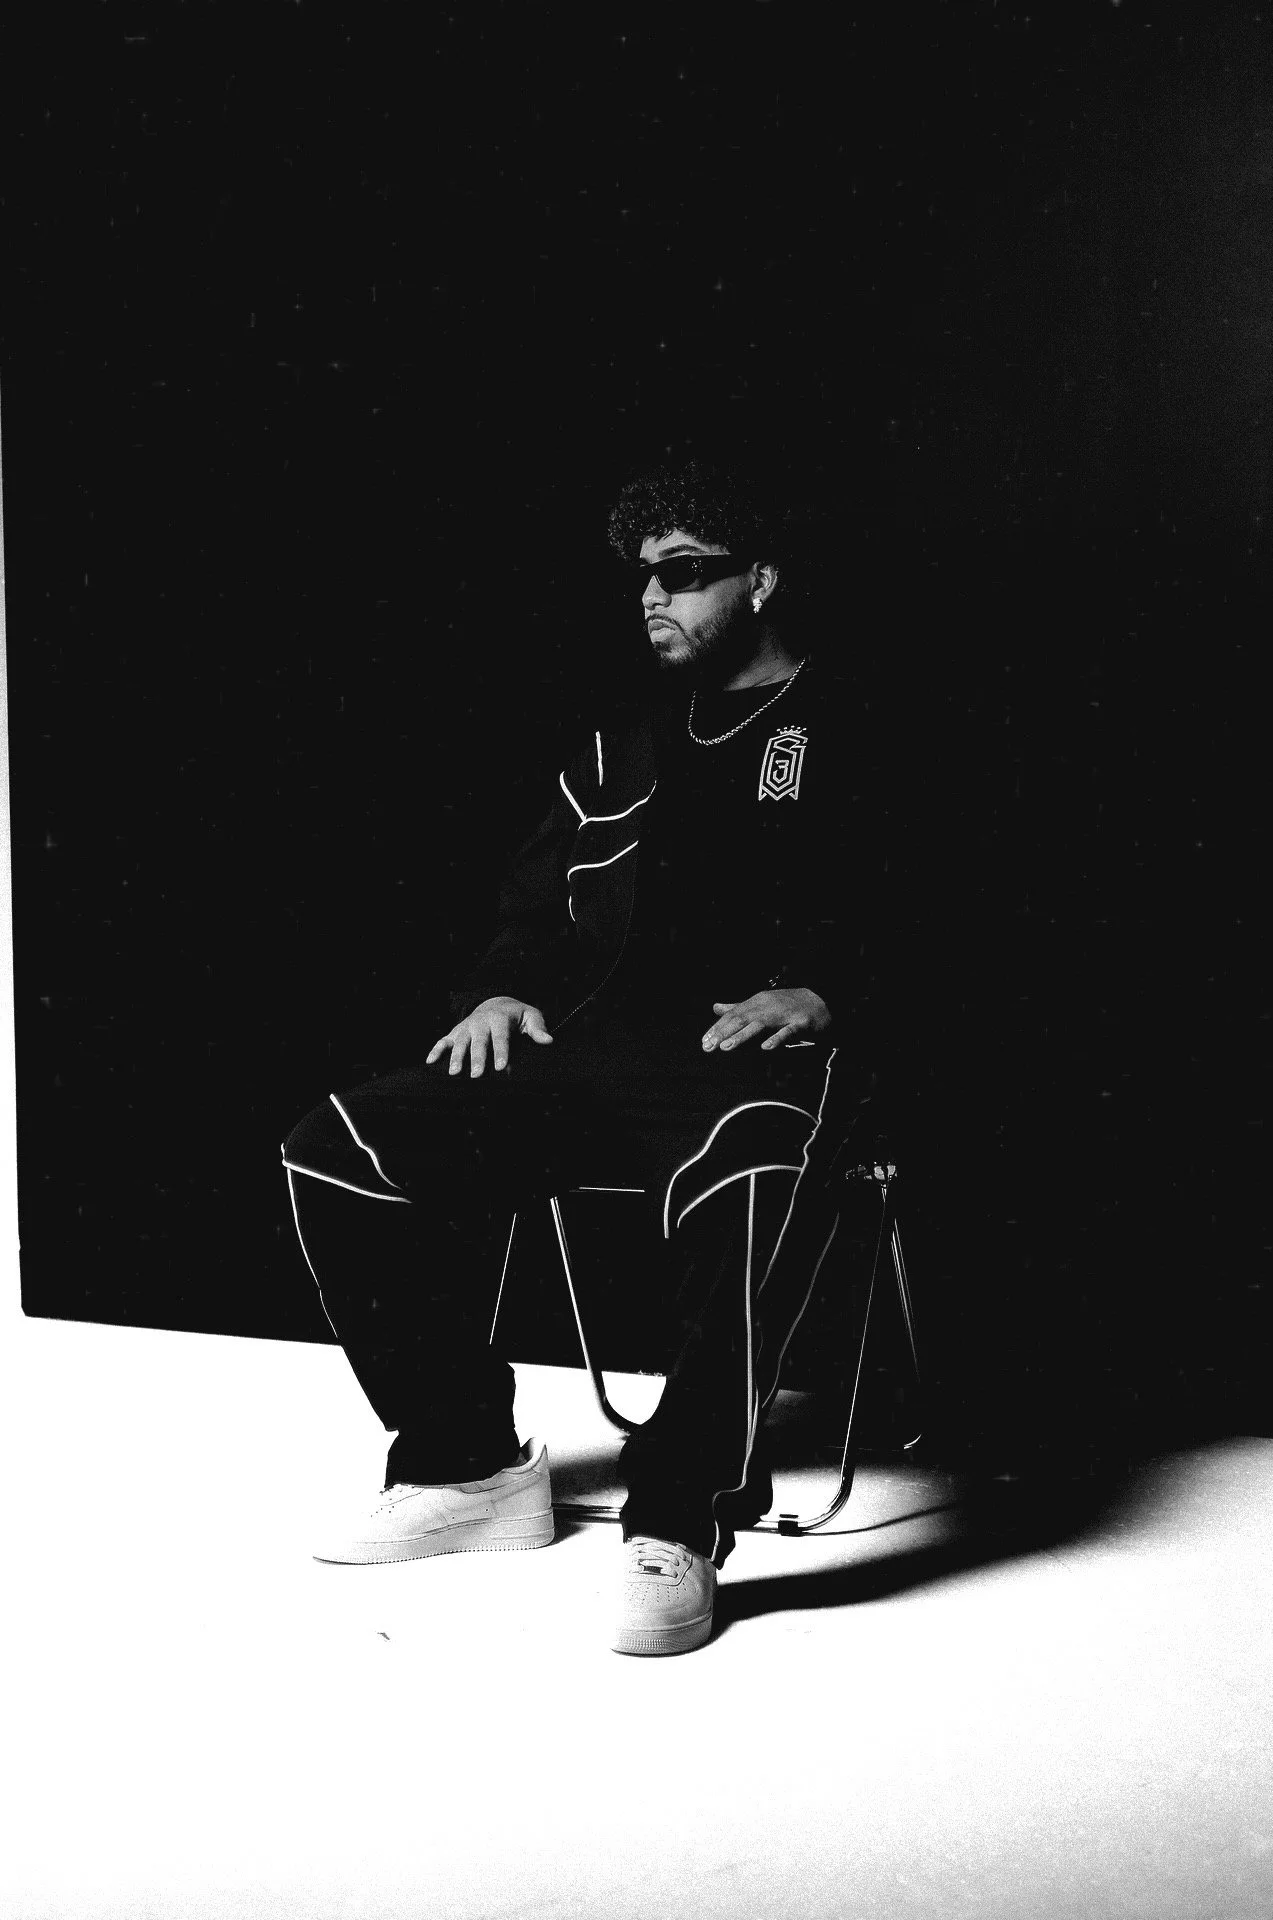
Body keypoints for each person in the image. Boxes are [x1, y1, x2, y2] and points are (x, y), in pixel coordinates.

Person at [281, 456, 884, 1655]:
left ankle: (678, 1518)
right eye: (642, 577)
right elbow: (536, 898)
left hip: (753, 1061)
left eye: (684, 572)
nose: (653, 596)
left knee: (755, 1177)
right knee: (338, 1151)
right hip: (591, 1051)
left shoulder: (858, 722)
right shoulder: (624, 742)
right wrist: (502, 989)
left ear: (761, 581)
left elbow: (939, 905)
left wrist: (830, 991)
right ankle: (468, 1466)